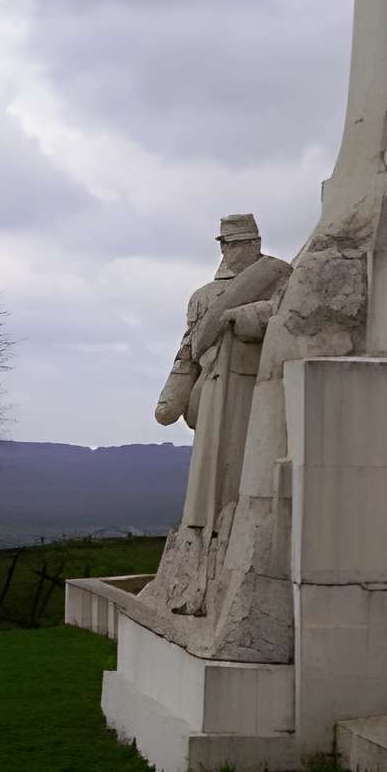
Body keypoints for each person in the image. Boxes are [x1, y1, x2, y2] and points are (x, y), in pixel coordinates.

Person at [155, 213, 290, 536]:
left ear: (256, 242)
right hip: (213, 384)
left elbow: (288, 313)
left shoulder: (279, 276)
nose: (235, 250)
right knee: (212, 461)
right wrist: (174, 392)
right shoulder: (202, 296)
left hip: (260, 380)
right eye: (230, 244)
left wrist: (247, 316)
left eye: (243, 243)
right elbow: (188, 349)